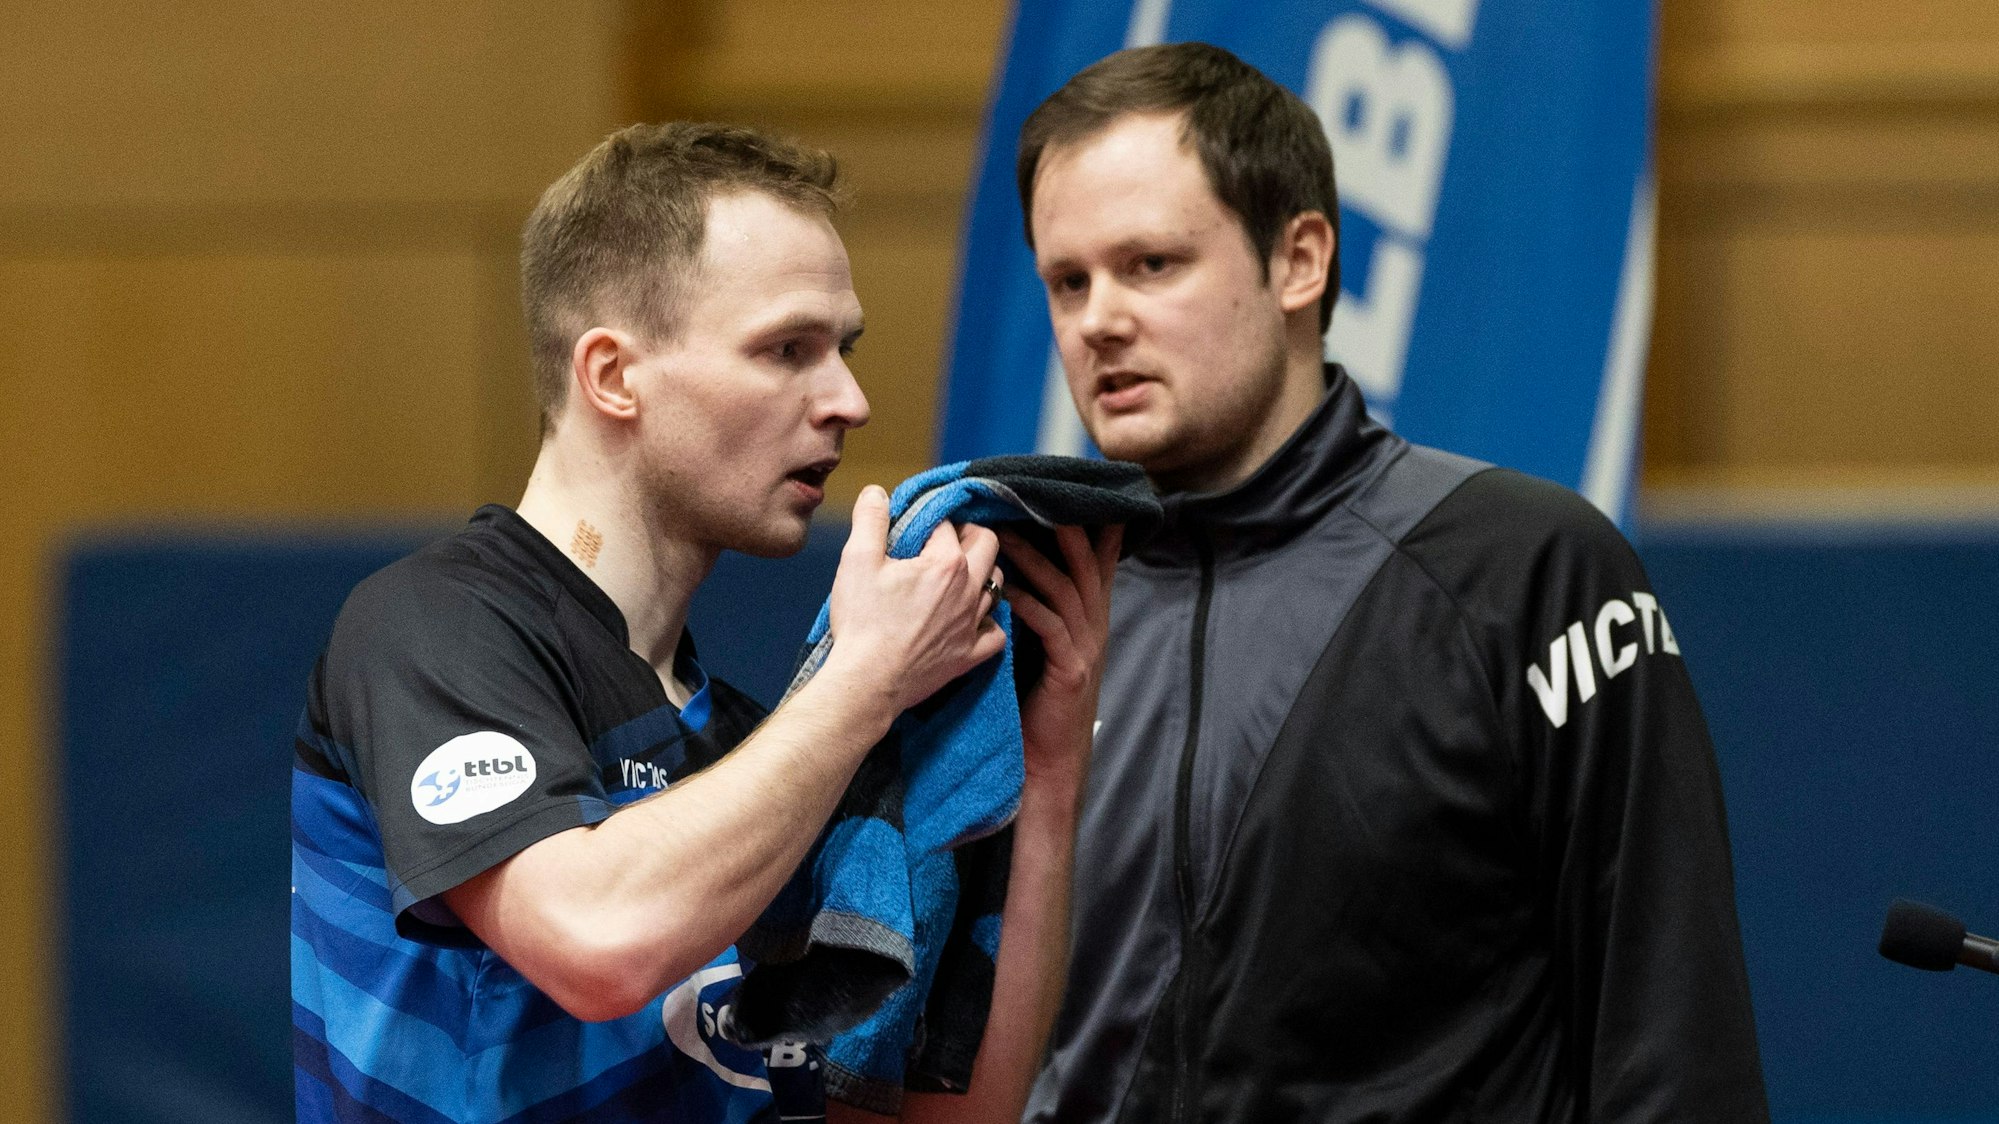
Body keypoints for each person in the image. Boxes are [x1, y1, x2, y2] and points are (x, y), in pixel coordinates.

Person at [290, 122, 1116, 1124]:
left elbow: (946, 1117)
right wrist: (862, 680)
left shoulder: (751, 751)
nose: (849, 400)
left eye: (842, 349)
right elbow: (596, 942)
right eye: (786, 349)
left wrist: (1053, 770)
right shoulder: (432, 626)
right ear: (612, 374)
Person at [1015, 43, 1770, 1123]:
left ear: (1301, 260)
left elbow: (1671, 1043)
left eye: (1150, 265)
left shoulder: (1524, 569)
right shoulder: (1024, 607)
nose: (1097, 320)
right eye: (1066, 281)